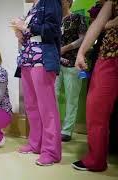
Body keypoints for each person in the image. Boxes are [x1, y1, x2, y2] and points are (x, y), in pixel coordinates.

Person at [11, 0, 62, 166]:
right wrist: (20, 33)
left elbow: (53, 30)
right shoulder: (33, 7)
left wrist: (26, 27)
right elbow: (30, 35)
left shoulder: (51, 1)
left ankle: (51, 151)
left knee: (47, 108)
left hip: (42, 60)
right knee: (32, 106)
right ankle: (35, 144)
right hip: (27, 60)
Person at [72, 0, 118, 172]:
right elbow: (98, 24)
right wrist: (81, 52)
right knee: (95, 108)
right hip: (109, 55)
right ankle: (96, 159)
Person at [55, 0, 87, 142]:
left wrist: (65, 48)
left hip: (73, 63)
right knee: (52, 95)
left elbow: (83, 39)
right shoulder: (55, 20)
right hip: (55, 64)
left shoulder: (78, 18)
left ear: (69, 2)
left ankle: (67, 130)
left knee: (71, 98)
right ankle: (53, 126)